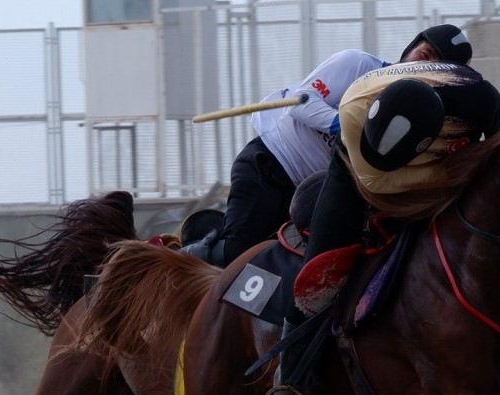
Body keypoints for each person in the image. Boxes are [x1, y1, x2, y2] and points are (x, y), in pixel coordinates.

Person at [254, 24, 500, 395]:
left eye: (434, 57)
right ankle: (289, 390)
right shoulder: (358, 98)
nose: (426, 59)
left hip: (433, 179)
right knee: (319, 276)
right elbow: (366, 169)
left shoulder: (479, 98)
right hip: (354, 175)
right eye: (424, 51)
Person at [180, 27, 464, 266]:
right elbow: (300, 102)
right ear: (410, 47)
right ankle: (176, 259)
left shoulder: (427, 120)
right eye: (424, 55)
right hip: (270, 164)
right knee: (237, 253)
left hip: (312, 197)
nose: (422, 67)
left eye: (435, 67)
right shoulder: (358, 64)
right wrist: (346, 126)